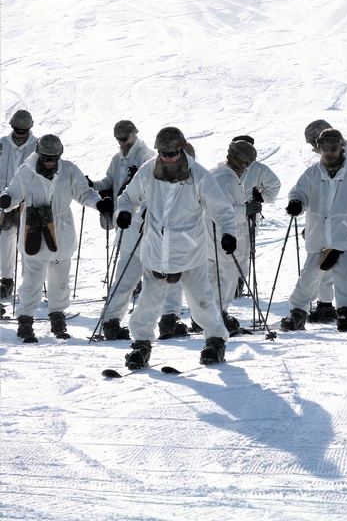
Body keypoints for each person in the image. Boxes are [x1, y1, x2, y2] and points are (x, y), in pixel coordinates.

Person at [115, 126, 237, 369]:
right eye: (163, 154)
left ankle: (215, 341)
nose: (168, 158)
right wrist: (125, 212)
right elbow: (128, 197)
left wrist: (228, 234)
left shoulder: (198, 175)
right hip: (156, 249)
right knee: (149, 301)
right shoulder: (148, 170)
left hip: (189, 250)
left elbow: (221, 209)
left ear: (181, 150)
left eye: (172, 154)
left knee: (201, 299)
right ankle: (141, 344)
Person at [0, 134, 111, 341]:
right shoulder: (27, 170)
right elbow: (14, 192)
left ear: (59, 155)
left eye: (53, 158)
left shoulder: (68, 170)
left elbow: (84, 193)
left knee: (60, 280)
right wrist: (7, 200)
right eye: (46, 158)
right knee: (31, 280)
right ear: (39, 155)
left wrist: (98, 203)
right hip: (33, 232)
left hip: (61, 231)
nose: (50, 162)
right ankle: (25, 320)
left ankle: (57, 317)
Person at [280, 128, 347, 333]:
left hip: (345, 234)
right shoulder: (313, 173)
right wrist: (296, 203)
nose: (328, 152)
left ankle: (344, 312)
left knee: (345, 273)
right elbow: (299, 192)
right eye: (325, 148)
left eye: (333, 148)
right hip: (318, 234)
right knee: (309, 274)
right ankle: (299, 312)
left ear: (340, 147)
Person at [92, 120, 157, 341]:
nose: (122, 142)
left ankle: (159, 320)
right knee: (124, 276)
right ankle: (111, 321)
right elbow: (110, 181)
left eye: (125, 137)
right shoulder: (118, 158)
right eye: (118, 138)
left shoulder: (147, 157)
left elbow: (152, 190)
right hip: (126, 226)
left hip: (143, 228)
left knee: (152, 278)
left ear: (133, 135)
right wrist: (93, 186)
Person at [303, 119, 347, 323]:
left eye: (314, 143)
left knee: (342, 267)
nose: (314, 148)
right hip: (326, 222)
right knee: (323, 262)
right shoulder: (330, 157)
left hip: (341, 223)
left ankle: (343, 309)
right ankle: (325, 305)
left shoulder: (346, 157)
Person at [209, 139, 258, 335]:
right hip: (222, 237)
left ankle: (212, 315)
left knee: (216, 280)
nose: (246, 167)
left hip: (217, 237)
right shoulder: (225, 179)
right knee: (225, 280)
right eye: (246, 163)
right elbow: (221, 210)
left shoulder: (224, 175)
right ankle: (216, 316)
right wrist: (245, 210)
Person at [230, 134, 281, 300]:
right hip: (230, 212)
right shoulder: (228, 167)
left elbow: (274, 185)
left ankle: (238, 282)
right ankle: (226, 282)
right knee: (228, 247)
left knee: (245, 251)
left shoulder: (259, 169)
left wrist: (260, 197)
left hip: (249, 214)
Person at [0, 109, 37, 300]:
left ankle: (29, 283)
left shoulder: (37, 146)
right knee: (5, 239)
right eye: (17, 129)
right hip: (4, 199)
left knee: (27, 241)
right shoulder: (2, 144)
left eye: (24, 130)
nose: (20, 134)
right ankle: (6, 280)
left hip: (28, 201)